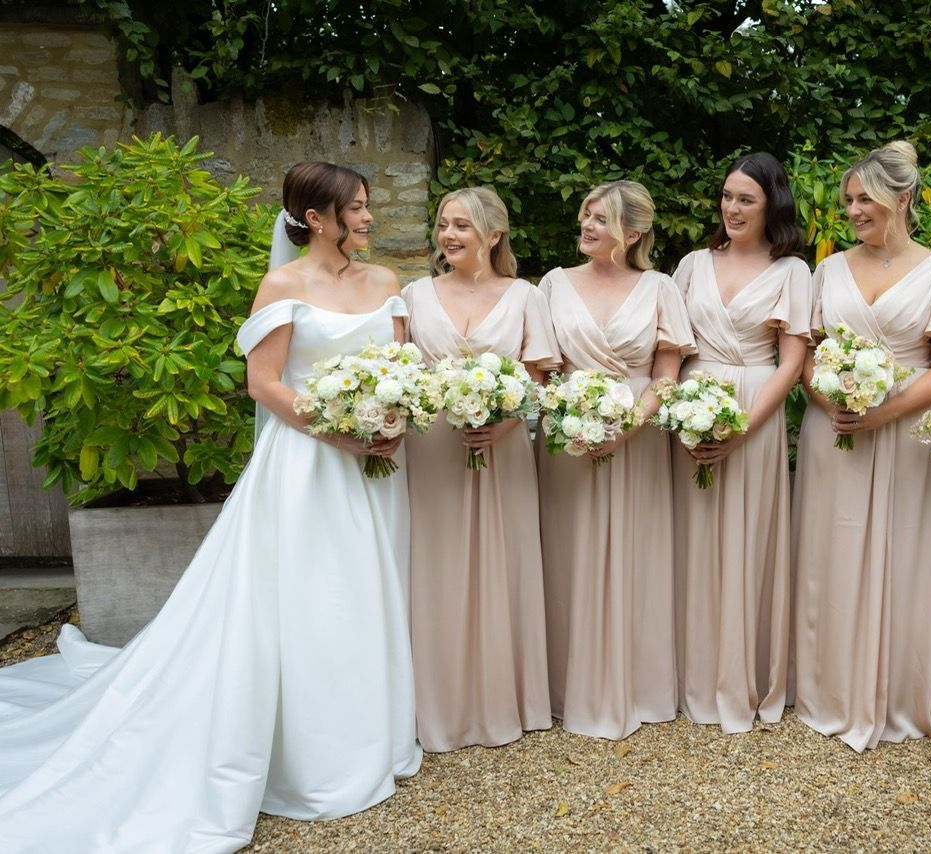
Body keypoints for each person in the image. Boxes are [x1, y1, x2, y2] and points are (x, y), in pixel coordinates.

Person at [0, 161, 420, 852]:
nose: (370, 218)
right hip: (310, 464)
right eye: (359, 208)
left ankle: (374, 731)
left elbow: (406, 370)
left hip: (378, 462)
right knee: (313, 595)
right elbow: (264, 382)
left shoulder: (385, 284)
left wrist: (395, 420)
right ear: (316, 219)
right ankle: (310, 755)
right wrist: (338, 432)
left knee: (371, 586)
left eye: (369, 206)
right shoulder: (282, 285)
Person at [791, 141, 931, 751]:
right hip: (833, 432)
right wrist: (829, 401)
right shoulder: (828, 269)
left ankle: (896, 695)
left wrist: (884, 413)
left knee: (902, 553)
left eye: (865, 197)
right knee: (828, 554)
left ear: (903, 198)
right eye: (848, 201)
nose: (854, 210)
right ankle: (826, 690)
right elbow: (807, 354)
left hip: (906, 434)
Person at [401, 187, 558, 752]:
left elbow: (541, 376)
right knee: (436, 564)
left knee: (503, 562)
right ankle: (437, 705)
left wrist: (507, 423)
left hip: (504, 447)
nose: (449, 235)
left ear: (493, 235)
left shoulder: (524, 296)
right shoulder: (415, 295)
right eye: (444, 224)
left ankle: (503, 701)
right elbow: (401, 370)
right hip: (433, 447)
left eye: (462, 225)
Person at [538, 180, 695, 740]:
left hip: (639, 438)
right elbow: (543, 368)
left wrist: (629, 424)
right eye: (585, 214)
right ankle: (567, 686)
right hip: (567, 436)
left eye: (599, 219)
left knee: (638, 551)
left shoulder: (659, 288)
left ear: (632, 233)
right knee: (568, 550)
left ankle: (639, 686)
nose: (586, 225)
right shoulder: (553, 284)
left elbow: (667, 371)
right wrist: (569, 415)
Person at [671, 152, 811, 733]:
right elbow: (671, 350)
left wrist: (743, 427)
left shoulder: (792, 272)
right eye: (727, 196)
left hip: (755, 410)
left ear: (770, 204)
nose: (732, 208)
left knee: (748, 541)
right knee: (691, 540)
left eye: (745, 199)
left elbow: (793, 362)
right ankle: (689, 674)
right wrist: (683, 415)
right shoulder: (691, 264)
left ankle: (743, 674)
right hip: (690, 412)